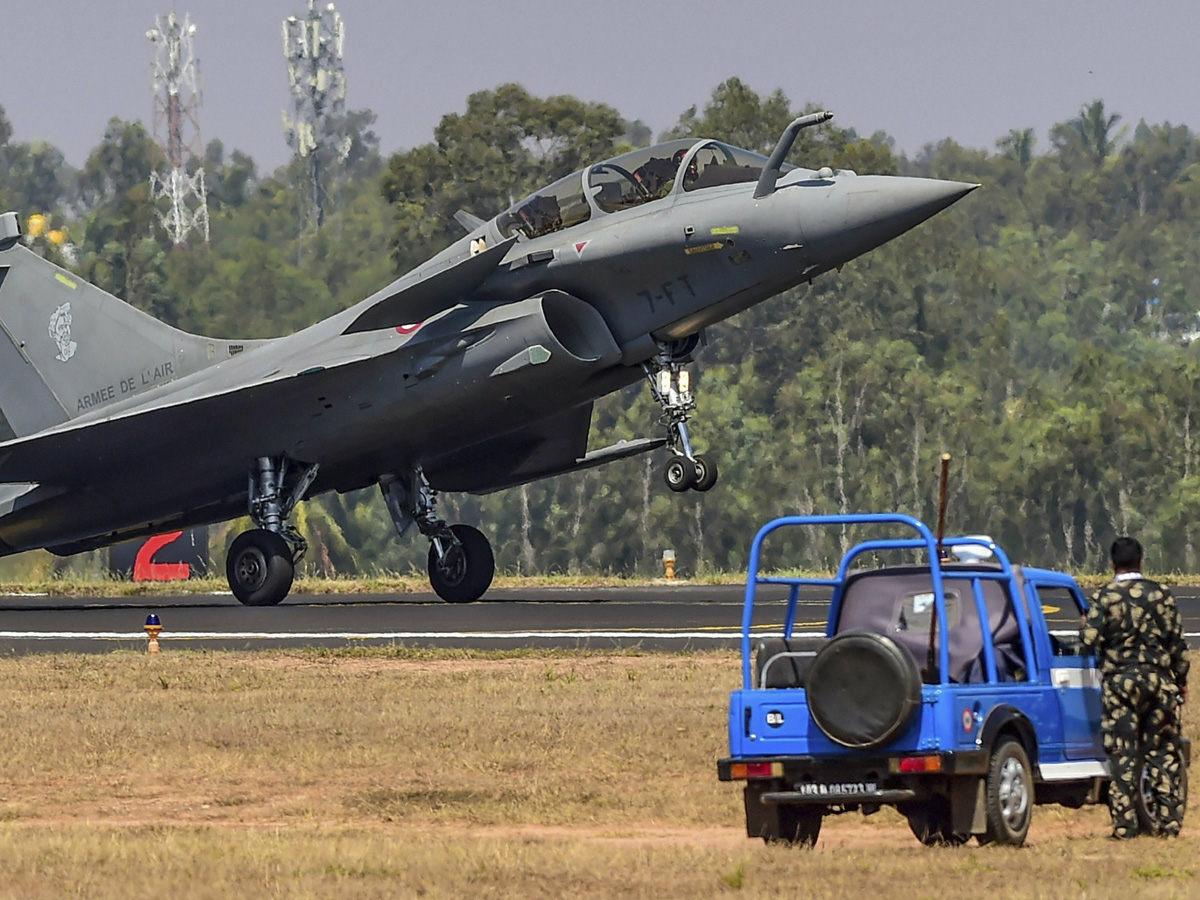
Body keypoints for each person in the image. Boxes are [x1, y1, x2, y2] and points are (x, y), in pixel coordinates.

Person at [1081, 536, 1189, 839]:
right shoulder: (1163, 595)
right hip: (1159, 680)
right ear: (1142, 562)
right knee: (1163, 751)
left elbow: (1088, 641)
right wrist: (1181, 682)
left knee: (1123, 754)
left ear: (1112, 564)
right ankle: (1168, 822)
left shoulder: (1105, 596)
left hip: (1120, 684)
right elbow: (1178, 645)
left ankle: (1124, 825)